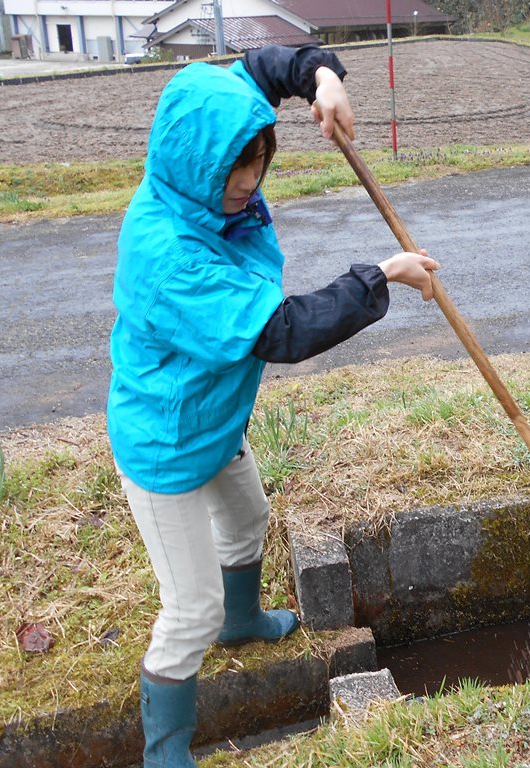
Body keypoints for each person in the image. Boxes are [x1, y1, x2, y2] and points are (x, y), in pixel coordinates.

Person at [107, 45, 439, 767]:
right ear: (199, 167)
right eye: (238, 170)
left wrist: (321, 79)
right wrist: (382, 277)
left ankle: (242, 619)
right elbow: (283, 331)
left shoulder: (202, 161)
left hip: (212, 414)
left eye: (260, 161)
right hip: (166, 441)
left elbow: (262, 69)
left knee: (250, 518)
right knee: (185, 608)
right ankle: (164, 750)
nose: (251, 183)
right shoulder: (170, 256)